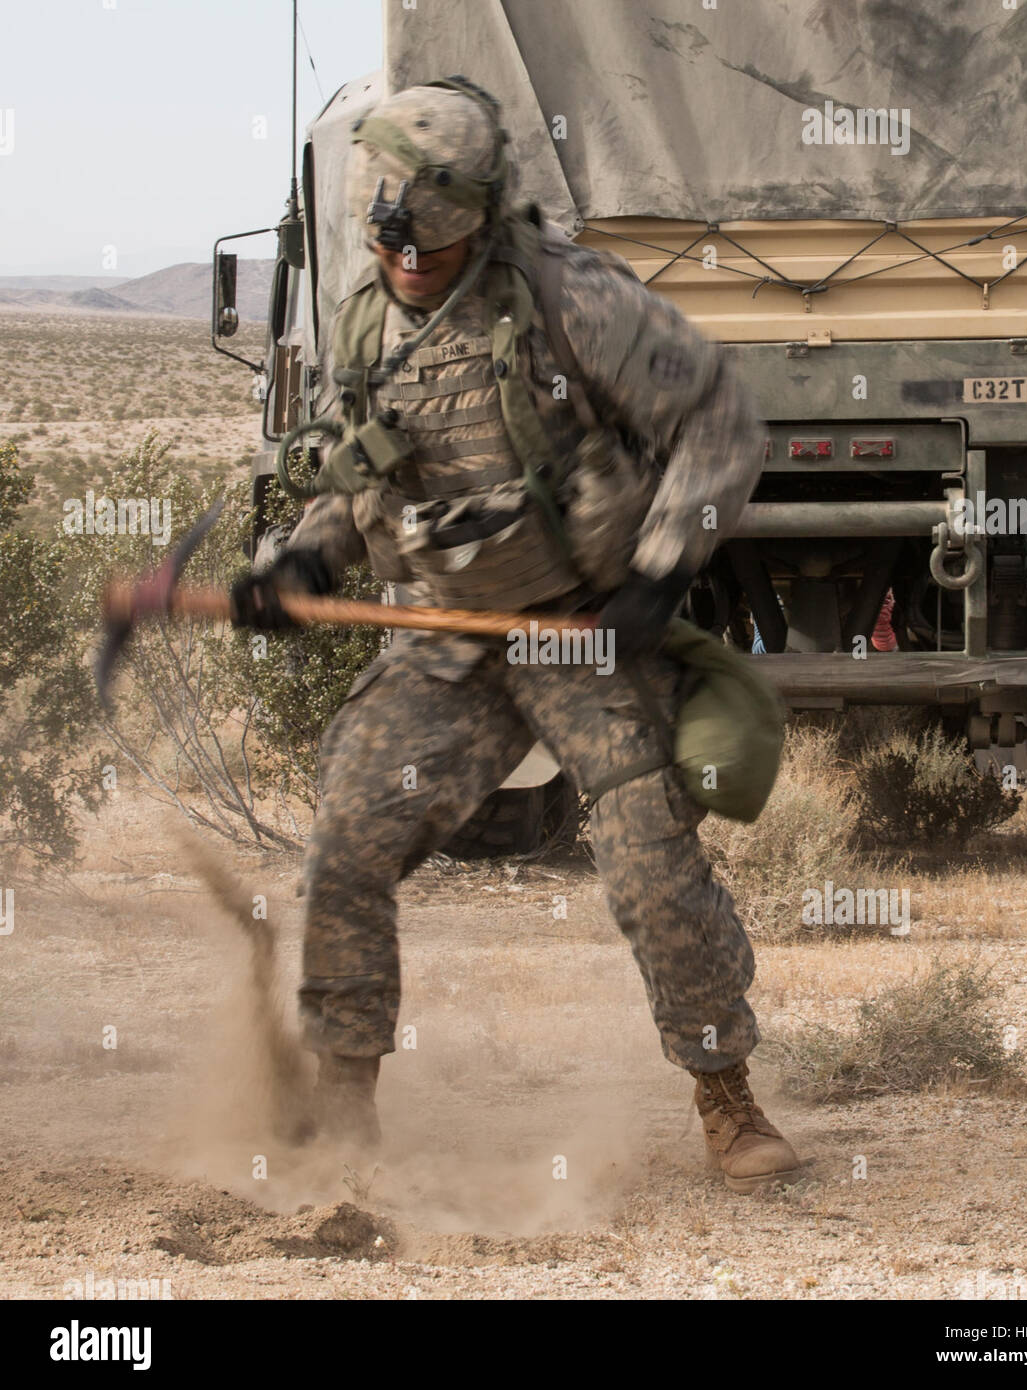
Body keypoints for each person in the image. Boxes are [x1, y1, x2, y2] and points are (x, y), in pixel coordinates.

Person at [230, 76, 800, 1191]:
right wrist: (294, 562)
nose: (408, 265)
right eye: (392, 245)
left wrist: (658, 571)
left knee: (645, 852)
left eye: (430, 248)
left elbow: (720, 419)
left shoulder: (569, 300)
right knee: (349, 825)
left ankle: (725, 1097)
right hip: (447, 638)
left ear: (479, 221)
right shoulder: (362, 321)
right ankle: (343, 1107)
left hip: (579, 633)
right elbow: (360, 487)